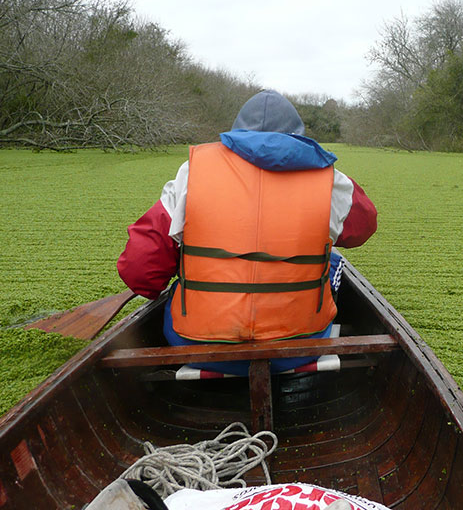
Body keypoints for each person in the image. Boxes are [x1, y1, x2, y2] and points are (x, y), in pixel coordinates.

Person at [117, 89, 377, 374]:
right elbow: (364, 226)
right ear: (298, 134)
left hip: (196, 345)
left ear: (236, 131)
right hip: (298, 347)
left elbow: (141, 270)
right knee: (332, 260)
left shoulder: (193, 172)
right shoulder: (329, 180)